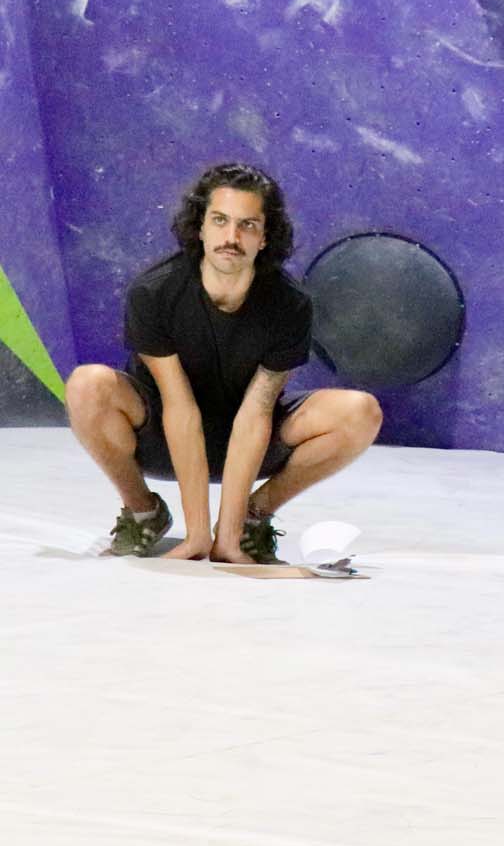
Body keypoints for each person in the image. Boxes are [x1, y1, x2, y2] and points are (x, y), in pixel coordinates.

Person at [66, 162, 382, 564]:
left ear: (265, 237)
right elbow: (180, 408)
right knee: (87, 385)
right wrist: (197, 536)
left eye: (247, 225)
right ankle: (143, 511)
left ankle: (252, 518)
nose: (231, 238)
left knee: (360, 412)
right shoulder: (154, 293)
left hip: (251, 435)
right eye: (220, 220)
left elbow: (256, 412)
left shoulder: (290, 305)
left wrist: (227, 539)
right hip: (163, 434)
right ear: (200, 227)